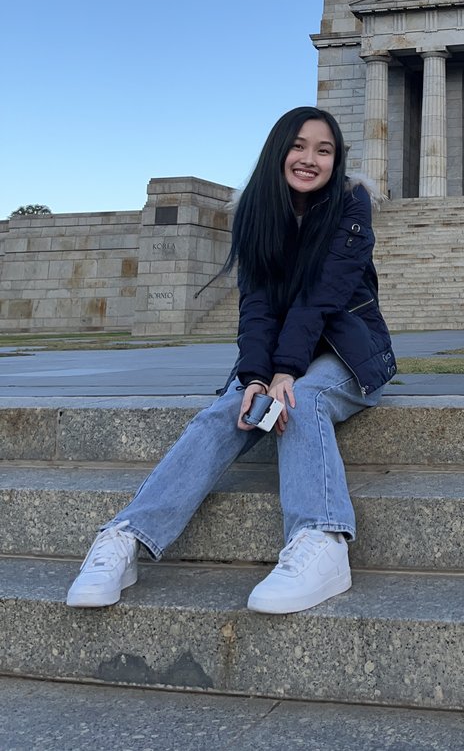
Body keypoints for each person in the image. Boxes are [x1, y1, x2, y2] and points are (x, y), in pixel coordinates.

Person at [66, 106, 396, 615]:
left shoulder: (352, 204)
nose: (310, 159)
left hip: (348, 349)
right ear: (278, 150)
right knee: (230, 409)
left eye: (324, 150)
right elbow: (257, 305)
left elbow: (323, 297)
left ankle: (323, 541)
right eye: (299, 146)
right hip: (282, 350)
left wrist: (283, 372)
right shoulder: (256, 212)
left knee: (301, 399)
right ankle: (125, 540)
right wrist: (254, 376)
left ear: (337, 160)